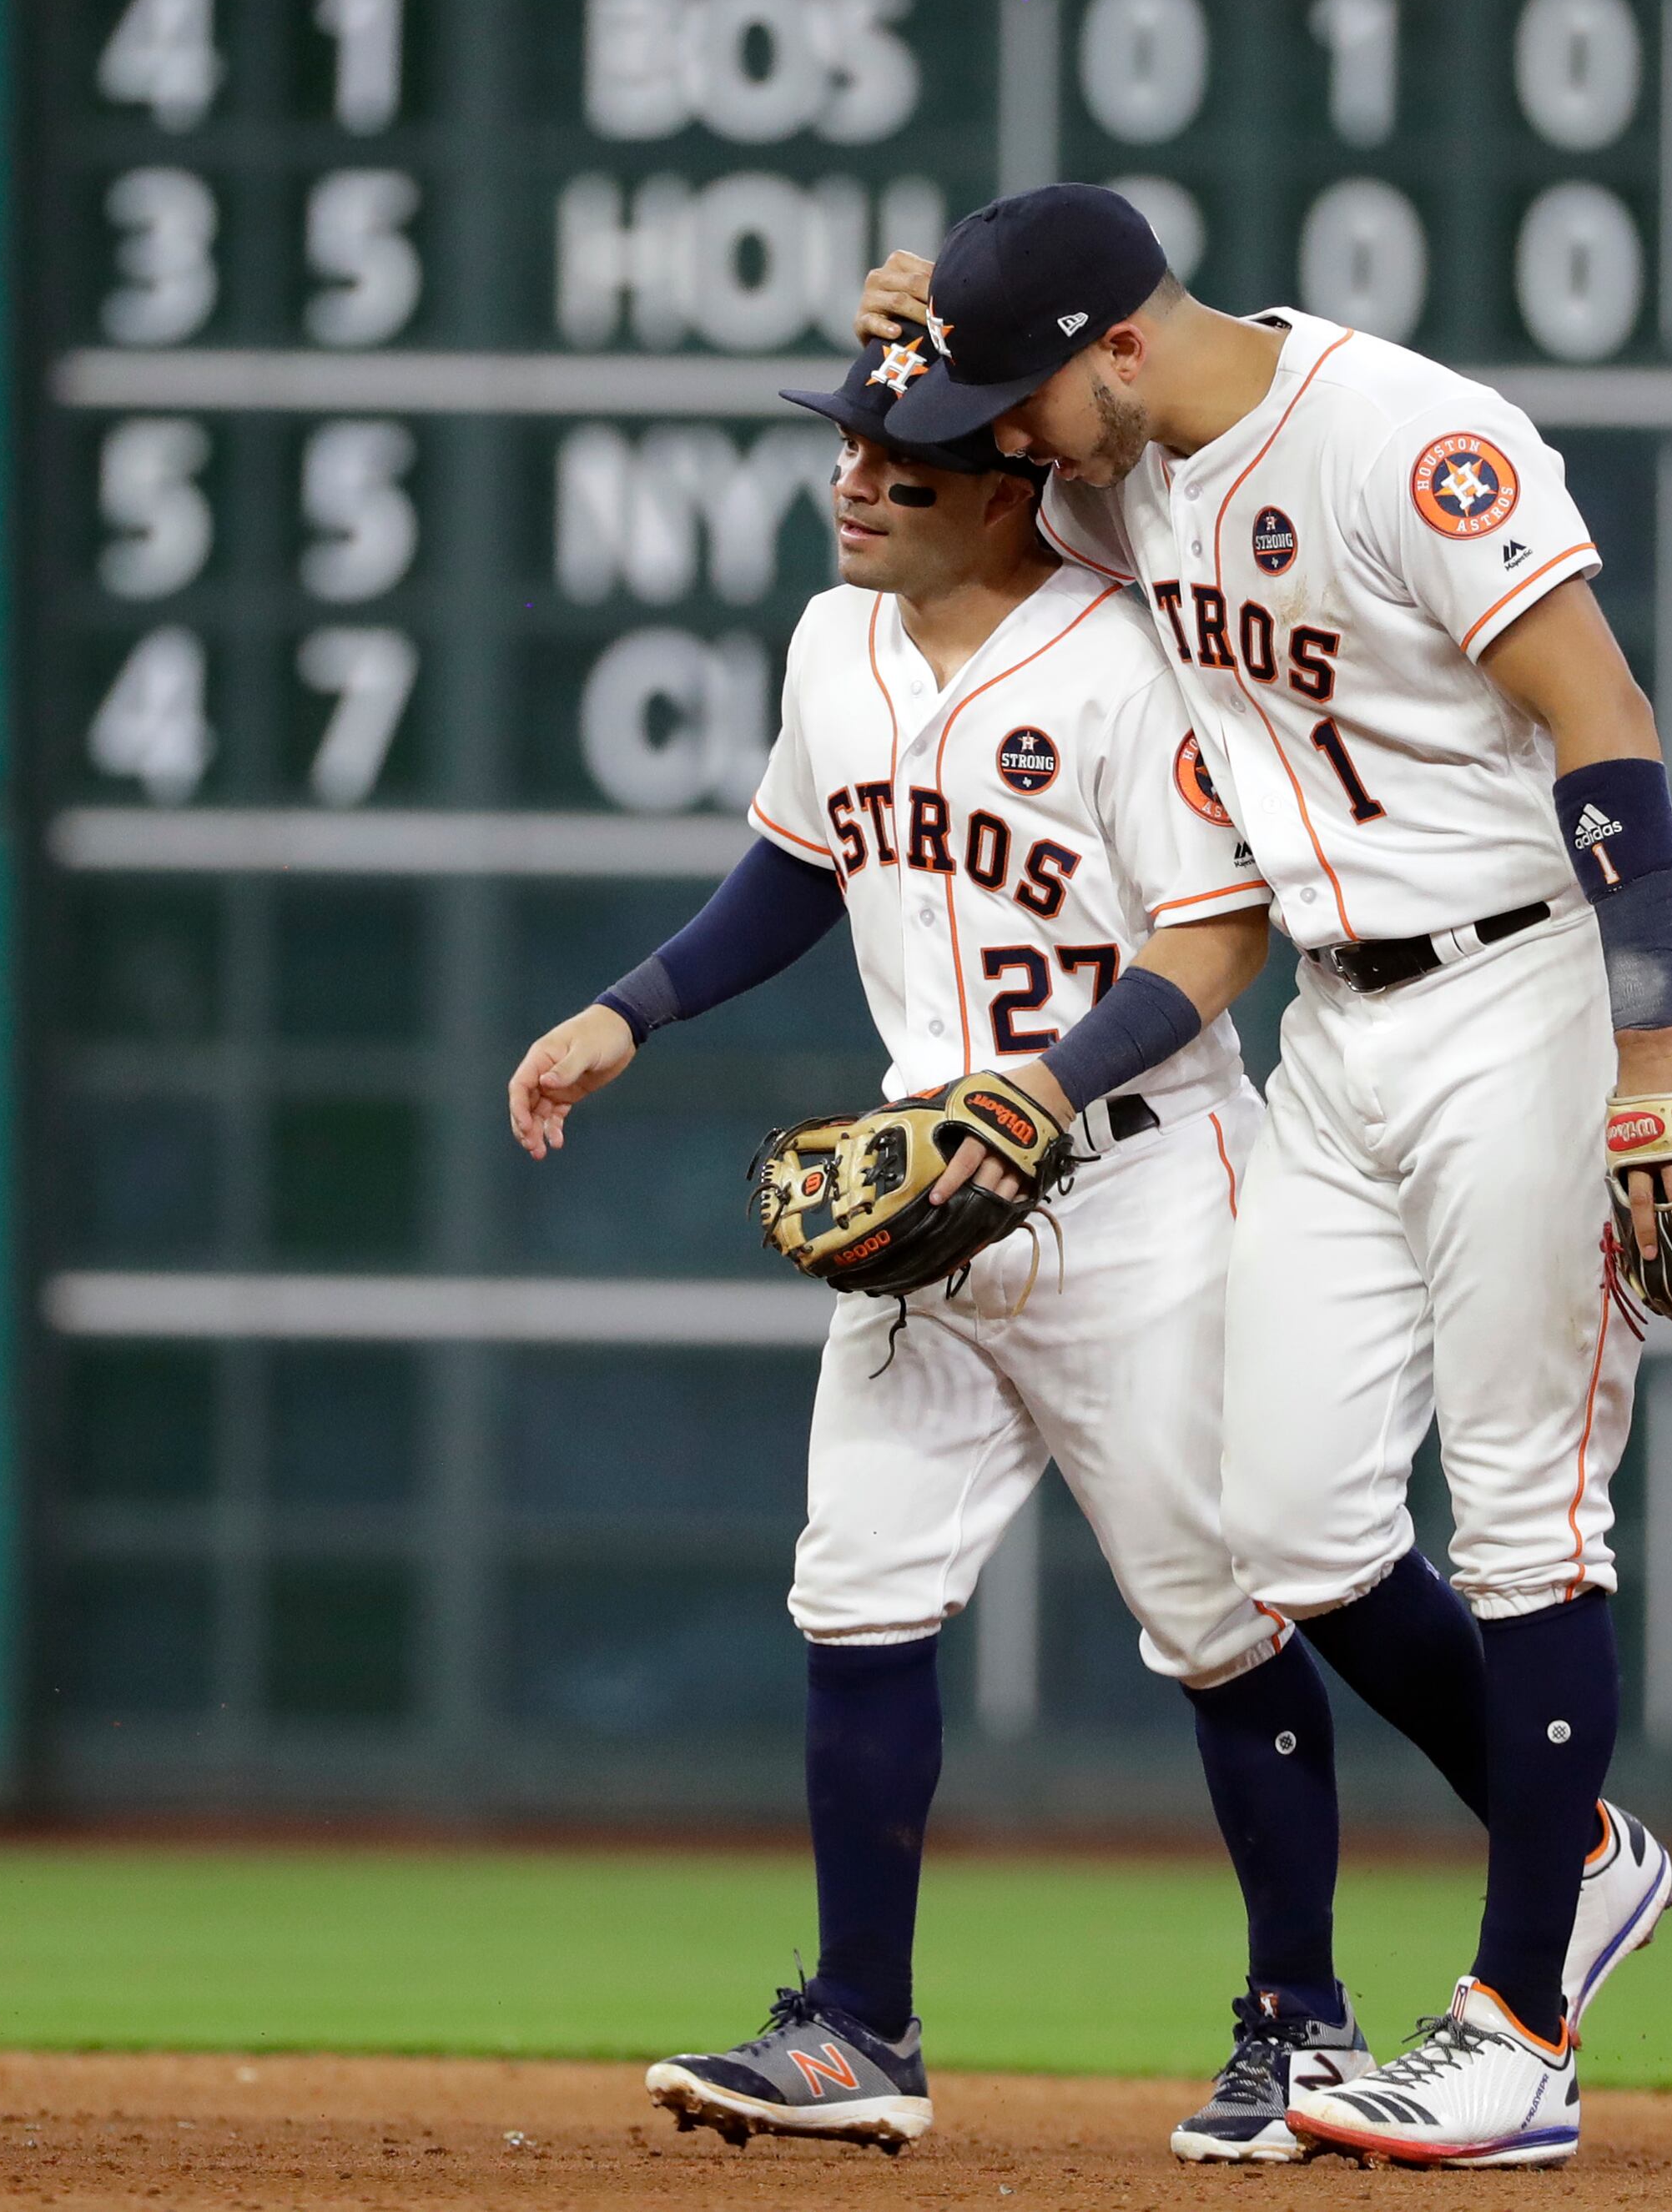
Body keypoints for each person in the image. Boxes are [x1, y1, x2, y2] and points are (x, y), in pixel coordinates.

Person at [855, 183, 1672, 2168]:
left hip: (1525, 996)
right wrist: (913, 326)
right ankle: (1577, 1846)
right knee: (1293, 1524)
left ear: (1123, 346)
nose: (1012, 437)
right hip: (1341, 1027)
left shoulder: (1407, 437)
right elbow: (952, 482)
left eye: (1028, 391)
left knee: (1521, 1513)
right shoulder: (1119, 464)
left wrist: (1654, 1044)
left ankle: (1519, 2029)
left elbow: (1609, 726)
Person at [505, 329, 1348, 2159]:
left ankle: (1307, 2026)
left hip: (1140, 1184)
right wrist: (628, 1012)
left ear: (1001, 483)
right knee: (859, 1590)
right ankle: (858, 2032)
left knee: (1218, 1619)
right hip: (930, 1196)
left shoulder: (1127, 663)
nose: (856, 481)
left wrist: (1045, 1090)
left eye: (900, 458)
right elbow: (801, 865)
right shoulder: (835, 646)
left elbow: (1215, 943)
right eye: (852, 449)